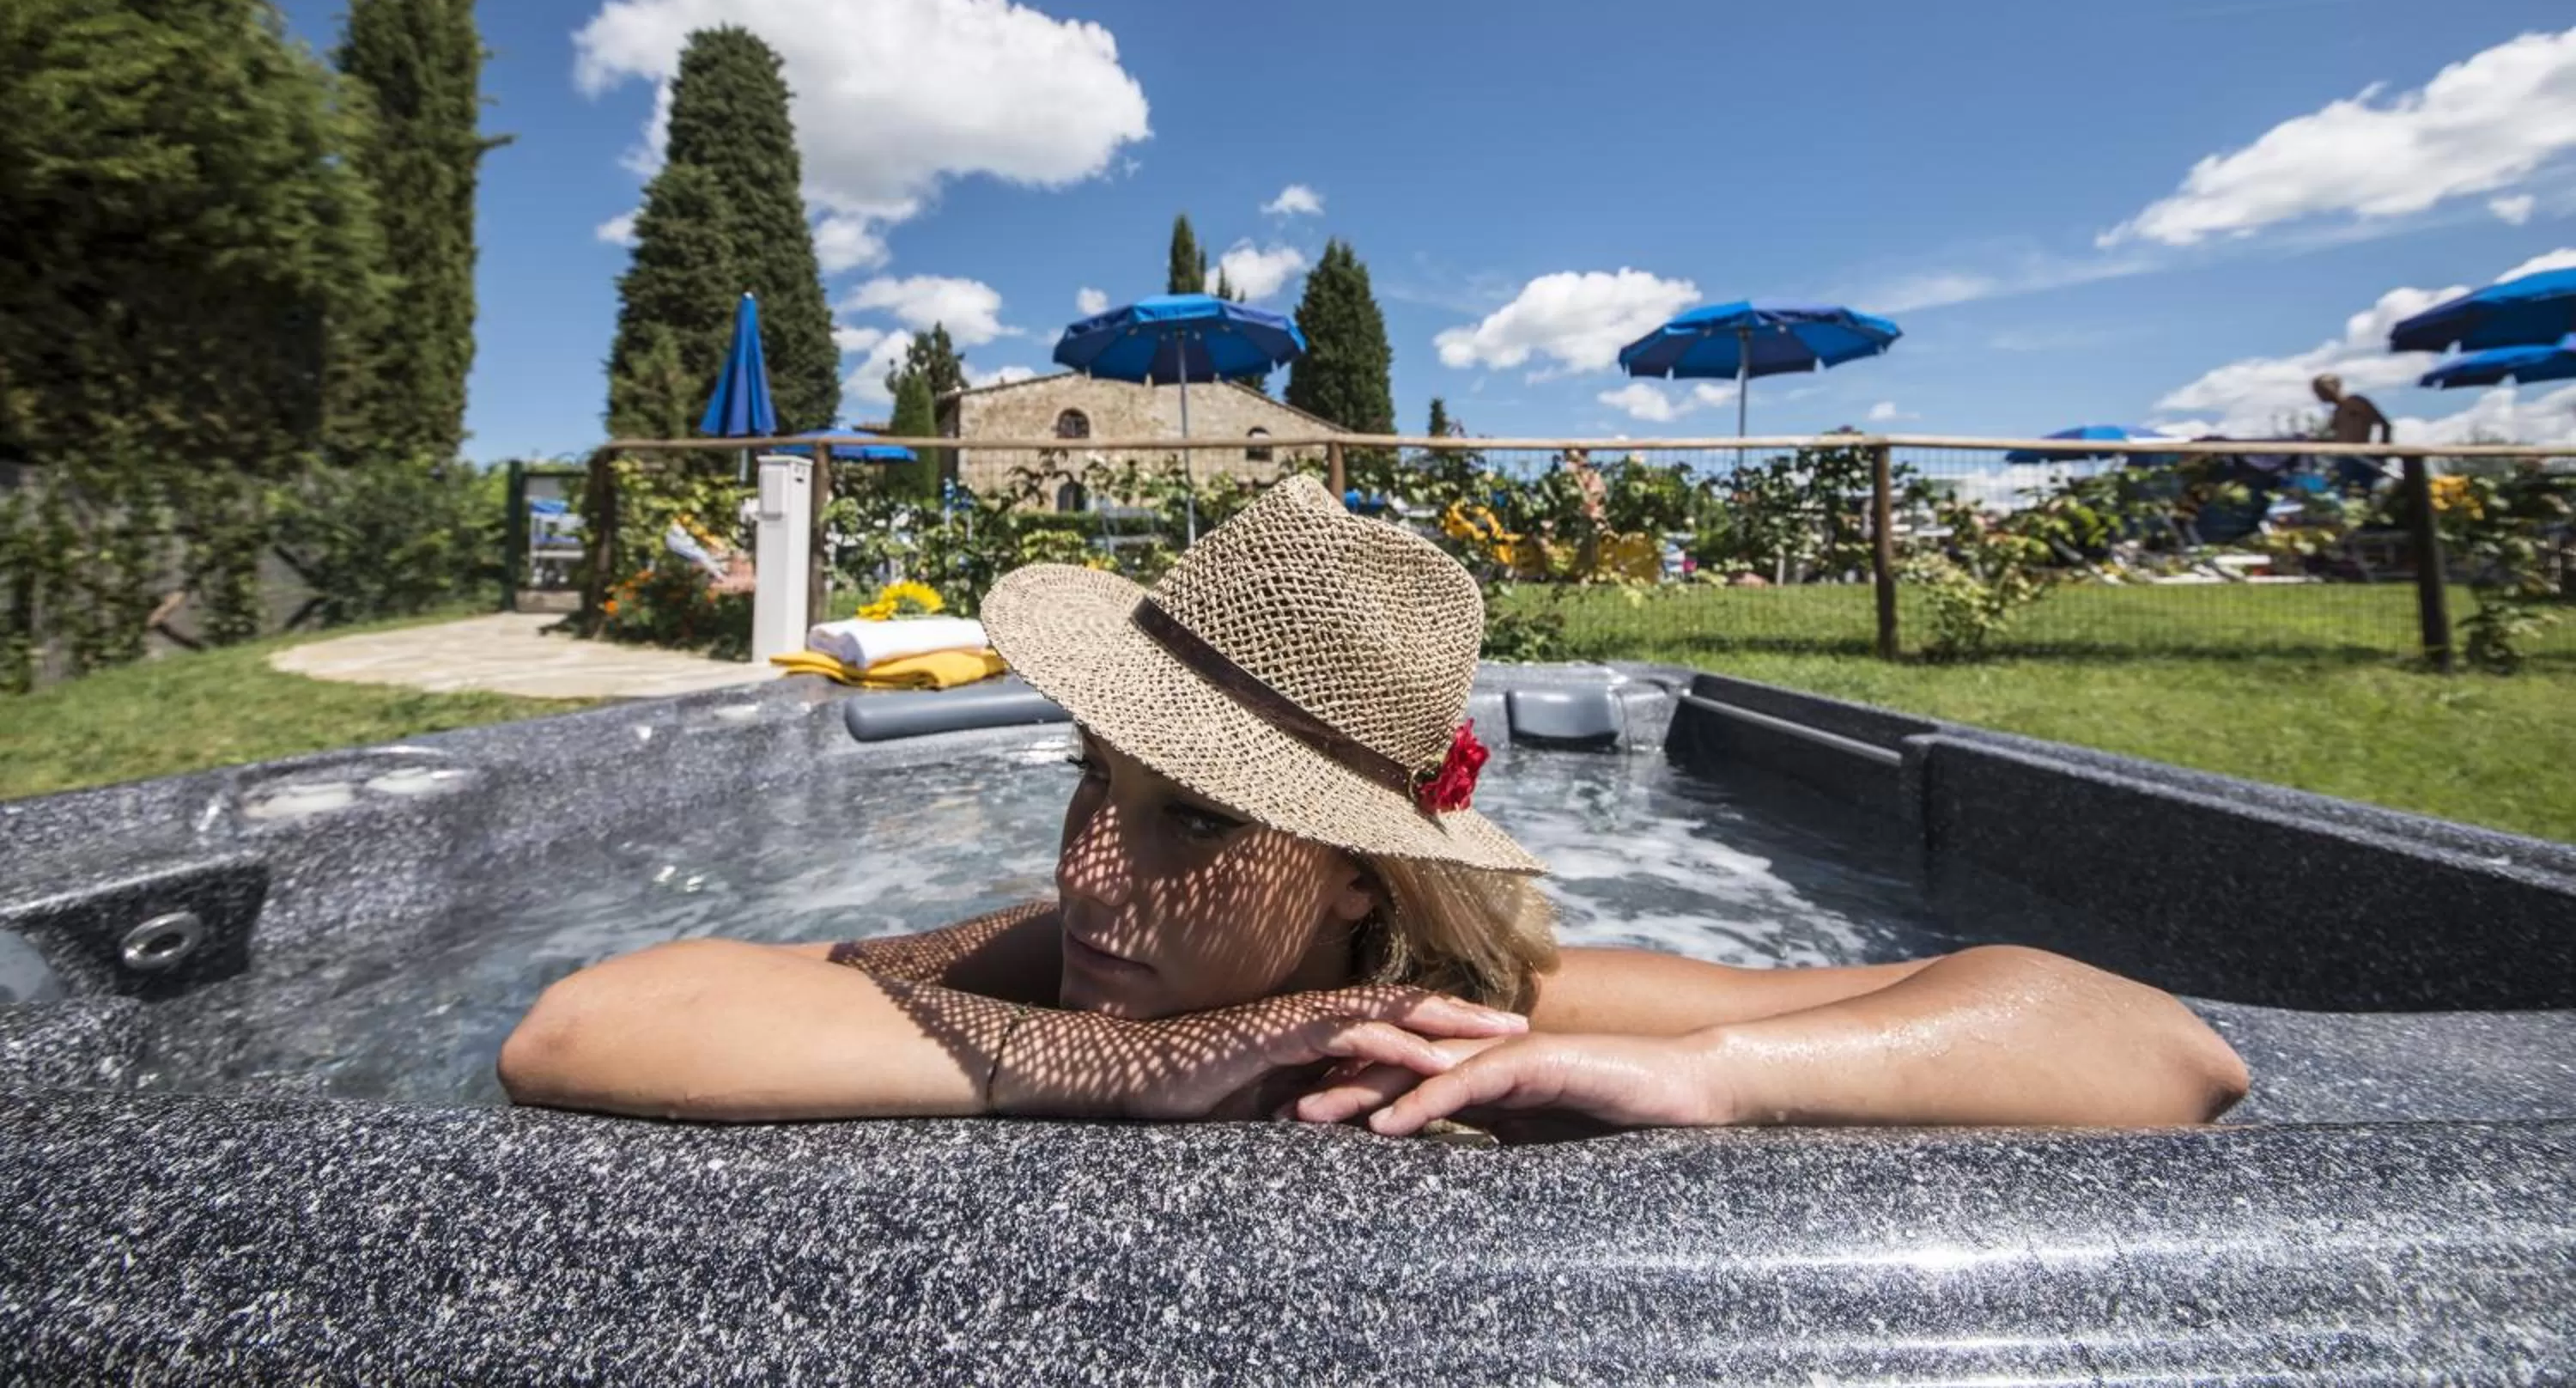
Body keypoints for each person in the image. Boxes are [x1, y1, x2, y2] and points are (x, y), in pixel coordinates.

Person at [500, 478, 2245, 1136]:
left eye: (1195, 817)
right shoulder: (1060, 959)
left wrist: (1718, 1074)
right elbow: (580, 1022)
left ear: (1355, 878)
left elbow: (2153, 1041)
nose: (1100, 867)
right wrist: (1093, 1058)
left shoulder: (1466, 1011)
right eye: (1090, 786)